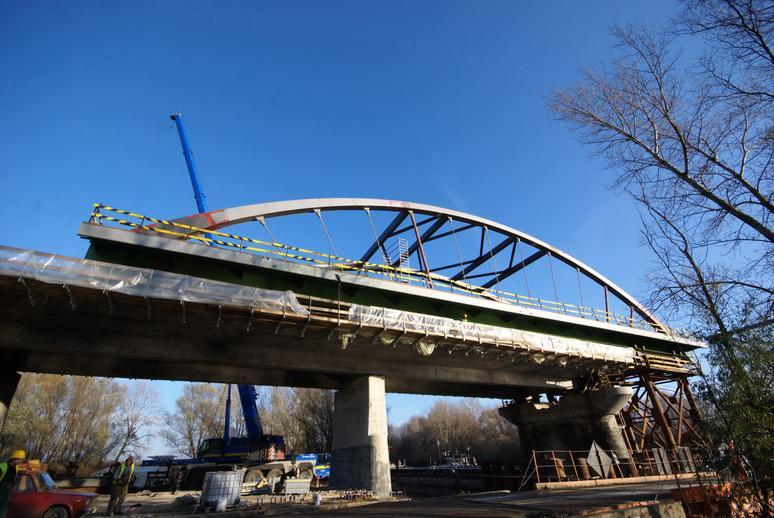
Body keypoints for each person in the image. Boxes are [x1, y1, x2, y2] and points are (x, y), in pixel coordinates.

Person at [0, 450, 26, 518]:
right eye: (20, 460)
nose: (21, 462)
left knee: (3, 510)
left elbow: (13, 478)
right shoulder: (2, 466)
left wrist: (14, 484)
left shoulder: (16, 468)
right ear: (15, 458)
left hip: (7, 492)